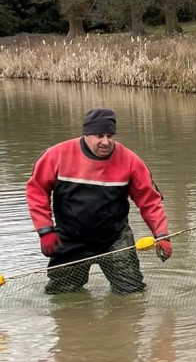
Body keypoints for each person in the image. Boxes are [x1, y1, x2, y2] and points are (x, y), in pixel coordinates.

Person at [26, 108, 172, 294]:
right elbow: (36, 191)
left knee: (132, 293)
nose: (106, 141)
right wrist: (45, 230)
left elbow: (150, 201)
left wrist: (162, 235)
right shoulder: (56, 155)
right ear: (86, 134)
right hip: (70, 239)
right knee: (61, 296)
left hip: (115, 239)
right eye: (99, 135)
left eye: (110, 135)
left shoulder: (131, 161)